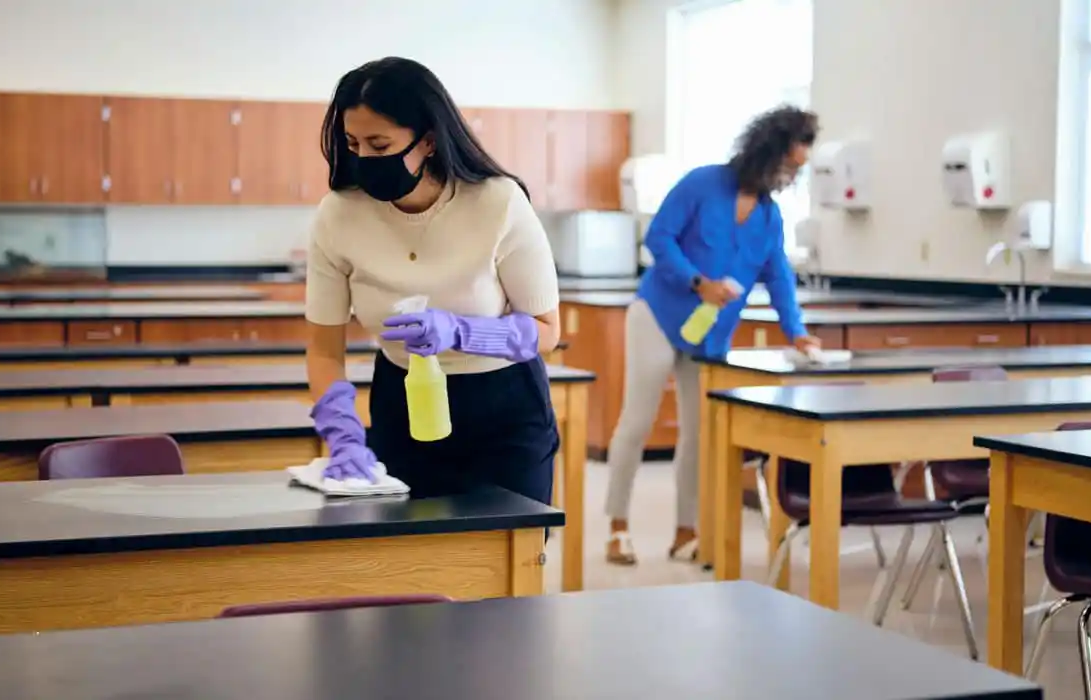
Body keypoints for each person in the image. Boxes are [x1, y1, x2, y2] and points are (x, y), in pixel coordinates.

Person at [304, 57, 562, 507]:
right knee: (406, 547)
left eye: (380, 145)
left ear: (427, 141)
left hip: (503, 412)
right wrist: (342, 432)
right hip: (401, 403)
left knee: (505, 546)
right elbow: (325, 350)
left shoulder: (497, 202)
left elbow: (547, 331)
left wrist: (462, 332)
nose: (364, 159)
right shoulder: (338, 215)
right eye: (353, 144)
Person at [603, 105, 822, 565]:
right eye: (789, 164)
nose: (791, 176)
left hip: (710, 336)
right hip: (658, 314)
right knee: (637, 421)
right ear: (768, 150)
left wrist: (797, 332)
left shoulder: (769, 217)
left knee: (699, 433)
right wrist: (698, 282)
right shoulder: (703, 184)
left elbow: (779, 276)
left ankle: (686, 532)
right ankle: (617, 527)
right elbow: (659, 238)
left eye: (798, 169)